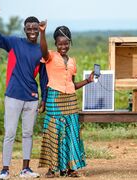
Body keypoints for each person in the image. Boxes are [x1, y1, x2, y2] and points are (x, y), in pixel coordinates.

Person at [0, 6, 47, 180]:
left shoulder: (41, 50)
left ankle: (25, 170)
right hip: (13, 95)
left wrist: (43, 97)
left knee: (28, 134)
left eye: (35, 28)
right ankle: (5, 170)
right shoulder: (14, 43)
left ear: (39, 29)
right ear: (24, 29)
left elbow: (43, 77)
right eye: (29, 28)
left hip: (31, 98)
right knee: (10, 133)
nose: (32, 31)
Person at [38, 21, 91, 178]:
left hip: (70, 102)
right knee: (54, 133)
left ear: (70, 43)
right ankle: (52, 168)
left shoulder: (73, 61)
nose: (63, 47)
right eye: (60, 44)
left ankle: (70, 168)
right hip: (55, 100)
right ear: (55, 43)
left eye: (66, 43)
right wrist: (42, 32)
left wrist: (88, 80)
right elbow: (43, 50)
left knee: (70, 134)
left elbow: (72, 84)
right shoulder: (50, 57)